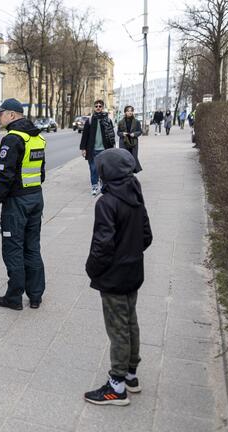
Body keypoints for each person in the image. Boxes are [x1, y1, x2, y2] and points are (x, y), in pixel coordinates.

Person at [83, 148, 153, 406]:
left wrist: (92, 269)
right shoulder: (135, 192)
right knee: (130, 321)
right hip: (134, 270)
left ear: (106, 173)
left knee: (117, 328)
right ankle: (132, 375)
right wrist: (131, 253)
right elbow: (146, 235)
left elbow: (102, 245)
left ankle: (117, 386)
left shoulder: (107, 202)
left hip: (113, 276)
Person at [0, 98, 46, 310]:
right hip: (36, 198)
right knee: (32, 247)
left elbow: (4, 178)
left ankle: (14, 297)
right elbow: (42, 173)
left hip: (16, 203)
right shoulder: (36, 137)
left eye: (0, 113)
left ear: (12, 115)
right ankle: (36, 295)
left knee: (13, 249)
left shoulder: (12, 139)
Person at [79, 99, 116, 197]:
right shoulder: (90, 120)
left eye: (100, 106)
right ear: (94, 108)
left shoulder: (107, 120)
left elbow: (112, 135)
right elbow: (85, 135)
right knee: (93, 168)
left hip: (104, 149)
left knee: (104, 169)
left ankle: (103, 185)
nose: (98, 108)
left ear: (103, 108)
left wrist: (113, 147)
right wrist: (83, 148)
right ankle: (94, 186)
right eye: (96, 106)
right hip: (92, 149)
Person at [117, 105, 143, 173]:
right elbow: (118, 132)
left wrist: (134, 134)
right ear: (125, 112)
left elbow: (140, 131)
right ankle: (126, 173)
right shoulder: (120, 122)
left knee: (133, 158)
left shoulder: (136, 122)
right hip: (124, 142)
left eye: (131, 111)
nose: (130, 112)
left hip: (133, 142)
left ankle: (131, 173)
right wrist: (122, 134)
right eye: (128, 111)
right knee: (124, 158)